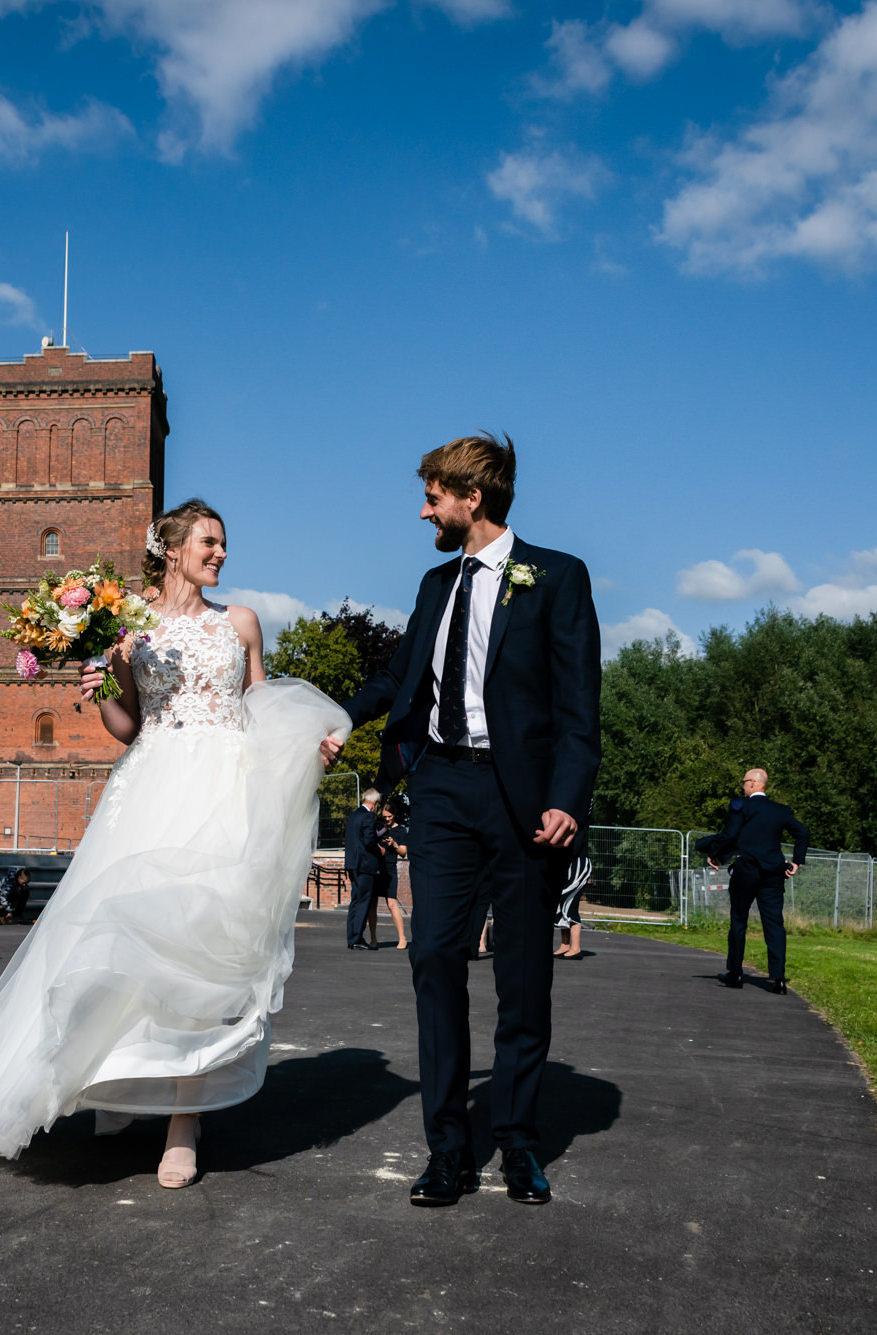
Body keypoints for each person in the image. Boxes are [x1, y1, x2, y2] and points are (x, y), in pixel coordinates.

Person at [0, 498, 348, 1189]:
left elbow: (261, 710)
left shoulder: (241, 622)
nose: (221, 553)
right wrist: (98, 685)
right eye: (210, 541)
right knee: (121, 948)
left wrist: (307, 752)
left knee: (204, 955)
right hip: (152, 785)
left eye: (224, 543)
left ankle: (183, 1123)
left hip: (227, 792)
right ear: (171, 547)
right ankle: (121, 1084)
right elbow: (127, 726)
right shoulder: (129, 623)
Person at [328, 433, 600, 1208]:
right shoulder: (433, 585)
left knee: (524, 976)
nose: (424, 510)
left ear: (471, 497)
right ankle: (447, 1146)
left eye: (433, 496)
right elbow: (399, 675)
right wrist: (340, 719)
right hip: (442, 792)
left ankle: (517, 1142)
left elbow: (582, 710)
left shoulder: (556, 577)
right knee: (436, 959)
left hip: (524, 805)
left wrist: (567, 799)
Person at [695, 768, 809, 994]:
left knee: (739, 920)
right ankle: (778, 979)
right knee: (774, 924)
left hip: (746, 870)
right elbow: (802, 833)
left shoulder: (741, 806)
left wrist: (714, 852)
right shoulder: (781, 811)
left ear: (754, 783)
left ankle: (735, 973)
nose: (742, 786)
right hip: (774, 874)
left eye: (744, 782)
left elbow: (730, 835)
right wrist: (796, 862)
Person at [343, 788, 384, 950]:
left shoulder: (354, 815)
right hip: (365, 865)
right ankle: (357, 937)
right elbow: (369, 841)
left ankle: (352, 936)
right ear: (374, 803)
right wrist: (380, 849)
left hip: (353, 864)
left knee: (355, 901)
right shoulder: (368, 817)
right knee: (363, 902)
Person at [368, 805, 411, 950]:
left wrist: (394, 844)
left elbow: (404, 852)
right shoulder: (378, 826)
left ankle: (402, 938)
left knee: (392, 904)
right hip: (376, 868)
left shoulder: (400, 830)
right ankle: (373, 939)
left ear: (394, 815)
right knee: (372, 904)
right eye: (384, 816)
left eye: (389, 816)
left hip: (390, 869)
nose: (386, 819)